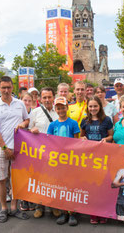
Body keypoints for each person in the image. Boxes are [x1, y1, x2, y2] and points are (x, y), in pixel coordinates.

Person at [0, 76, 30, 223]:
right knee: (1, 179)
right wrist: (5, 148)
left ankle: (14, 207)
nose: (6, 90)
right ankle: (3, 208)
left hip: (18, 148)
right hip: (1, 148)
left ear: (13, 88)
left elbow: (27, 119)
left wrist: (23, 124)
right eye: (3, 87)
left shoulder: (20, 104)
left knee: (16, 179)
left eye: (9, 87)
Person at [80, 96, 113, 224]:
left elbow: (111, 135)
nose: (93, 108)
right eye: (90, 106)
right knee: (92, 186)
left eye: (95, 106)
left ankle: (103, 212)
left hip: (104, 157)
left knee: (103, 186)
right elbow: (82, 136)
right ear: (88, 108)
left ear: (100, 107)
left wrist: (107, 139)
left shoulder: (107, 120)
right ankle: (93, 213)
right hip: (89, 158)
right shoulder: (85, 121)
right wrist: (82, 139)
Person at [47, 96, 80, 226]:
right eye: (58, 108)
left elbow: (77, 142)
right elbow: (49, 141)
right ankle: (63, 212)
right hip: (58, 162)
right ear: (55, 109)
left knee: (71, 186)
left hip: (71, 161)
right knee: (60, 186)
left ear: (67, 108)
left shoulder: (73, 123)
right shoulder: (53, 125)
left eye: (63, 107)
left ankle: (72, 213)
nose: (61, 110)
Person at [28, 87, 60, 217]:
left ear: (53, 97)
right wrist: (32, 130)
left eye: (49, 97)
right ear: (41, 99)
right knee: (39, 180)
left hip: (55, 153)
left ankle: (53, 206)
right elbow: (28, 130)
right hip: (39, 152)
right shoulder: (35, 112)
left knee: (54, 180)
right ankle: (39, 206)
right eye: (44, 97)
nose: (47, 100)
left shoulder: (59, 111)